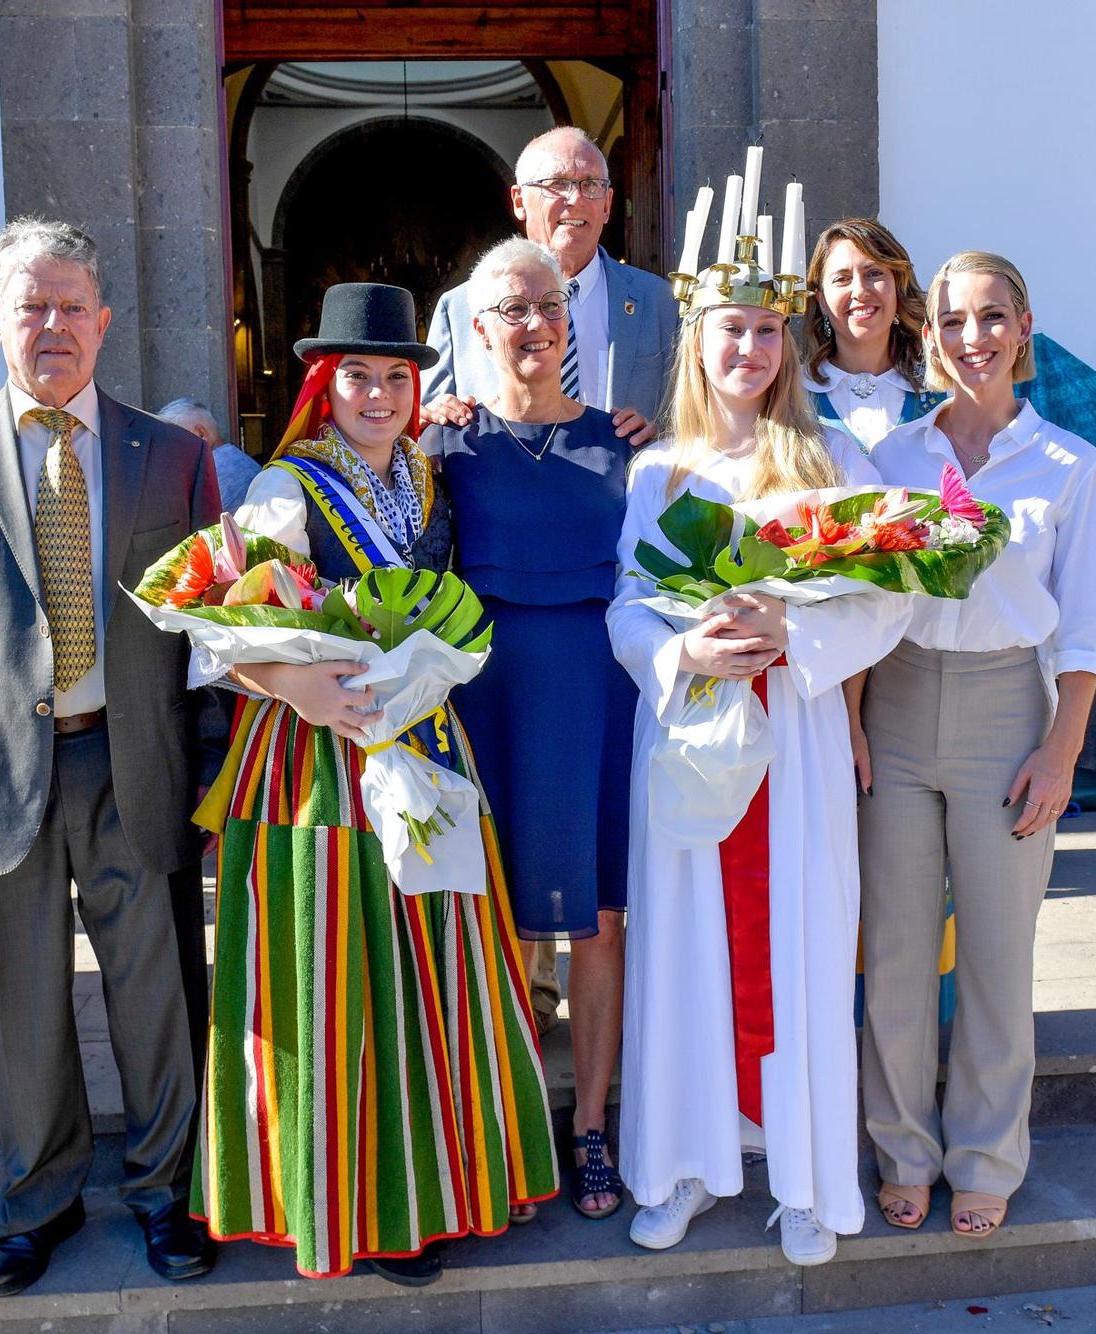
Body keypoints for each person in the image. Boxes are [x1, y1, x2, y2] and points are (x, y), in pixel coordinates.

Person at [0, 218, 219, 1297]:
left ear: (104, 323)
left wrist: (210, 775)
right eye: (32, 305)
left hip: (136, 763)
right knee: (21, 1006)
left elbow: (209, 634)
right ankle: (40, 1198)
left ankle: (167, 1190)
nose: (52, 326)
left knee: (157, 998)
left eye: (72, 306)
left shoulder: (168, 456)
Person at [197, 281, 557, 1286]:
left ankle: (428, 1185)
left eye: (395, 374)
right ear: (324, 381)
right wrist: (297, 687)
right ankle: (338, 1193)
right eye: (356, 372)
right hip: (316, 760)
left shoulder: (428, 479)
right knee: (337, 969)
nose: (377, 391)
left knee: (432, 961)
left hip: (424, 739)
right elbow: (218, 635)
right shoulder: (284, 486)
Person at [610, 277, 913, 1265]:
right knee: (686, 942)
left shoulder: (826, 461)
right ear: (695, 345)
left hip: (795, 740)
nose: (749, 347)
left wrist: (796, 627)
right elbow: (625, 605)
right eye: (730, 329)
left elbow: (887, 600)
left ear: (786, 345)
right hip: (696, 730)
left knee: (802, 945)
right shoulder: (656, 473)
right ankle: (684, 1164)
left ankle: (805, 1176)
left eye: (767, 331)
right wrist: (679, 654)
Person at [857, 252, 1096, 1243]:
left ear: (1023, 329)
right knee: (894, 949)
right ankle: (901, 1147)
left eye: (991, 317)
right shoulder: (892, 456)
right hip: (898, 698)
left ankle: (986, 1152)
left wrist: (1060, 751)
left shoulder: (1067, 466)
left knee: (999, 954)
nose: (972, 337)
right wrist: (848, 724)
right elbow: (862, 599)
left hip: (1010, 705)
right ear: (928, 334)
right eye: (953, 320)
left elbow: (1082, 630)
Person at [418, 237, 637, 1222]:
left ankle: (589, 1123)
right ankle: (502, 1128)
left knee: (596, 921)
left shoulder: (621, 440)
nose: (534, 324)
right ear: (475, 328)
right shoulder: (445, 444)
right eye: (511, 308)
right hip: (486, 697)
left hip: (598, 693)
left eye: (548, 306)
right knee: (499, 917)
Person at [422, 125, 676, 443]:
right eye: (556, 184)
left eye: (591, 184)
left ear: (609, 203)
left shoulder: (659, 301)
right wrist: (432, 417)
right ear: (519, 200)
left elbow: (690, 419)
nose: (576, 199)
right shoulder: (462, 306)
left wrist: (662, 440)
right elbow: (426, 432)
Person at [799, 218, 931, 449]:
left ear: (897, 286)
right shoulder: (795, 392)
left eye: (873, 273)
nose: (860, 290)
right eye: (842, 279)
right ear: (821, 300)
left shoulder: (940, 390)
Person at [157, 395, 259, 511]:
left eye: (173, 442)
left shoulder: (210, 475)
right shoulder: (237, 459)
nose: (170, 454)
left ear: (201, 434)